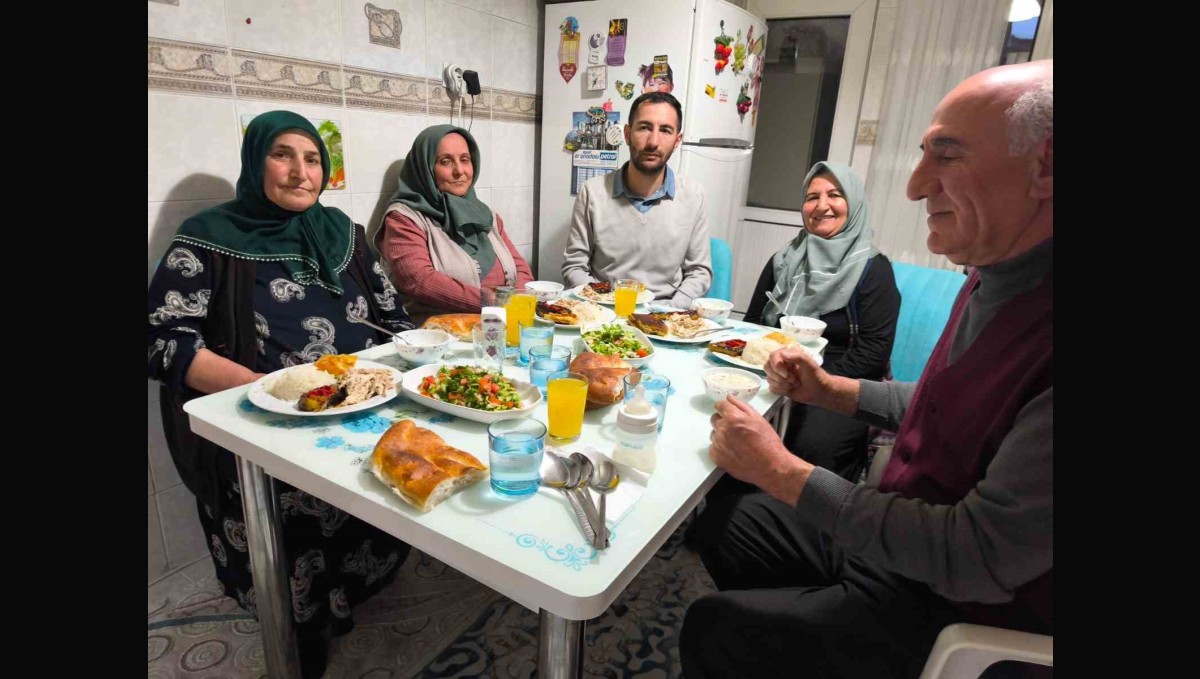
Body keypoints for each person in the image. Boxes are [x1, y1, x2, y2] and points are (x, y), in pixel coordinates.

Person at [681, 59, 1053, 678]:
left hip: (952, 603)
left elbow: (976, 554)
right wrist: (829, 388)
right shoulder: (990, 277)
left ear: (1047, 165)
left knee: (713, 628)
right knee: (729, 524)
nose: (915, 186)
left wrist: (781, 470)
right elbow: (940, 399)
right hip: (898, 539)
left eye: (947, 155)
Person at [147, 110, 416, 678]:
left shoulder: (344, 234)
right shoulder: (210, 237)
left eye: (312, 159)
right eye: (282, 155)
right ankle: (299, 625)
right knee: (292, 510)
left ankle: (354, 591)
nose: (301, 172)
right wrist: (265, 390)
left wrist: (408, 367)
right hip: (262, 424)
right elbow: (161, 339)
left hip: (364, 406)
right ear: (255, 163)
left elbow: (396, 318)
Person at [741, 160, 900, 482]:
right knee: (735, 432)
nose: (821, 206)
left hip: (840, 381)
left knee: (809, 450)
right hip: (774, 371)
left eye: (835, 195)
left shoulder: (873, 268)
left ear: (853, 204)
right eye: (812, 197)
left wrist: (816, 383)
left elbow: (874, 352)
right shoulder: (784, 260)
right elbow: (753, 323)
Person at [370, 124, 533, 325]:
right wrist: (494, 302)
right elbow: (419, 281)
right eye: (446, 161)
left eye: (465, 160)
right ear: (425, 168)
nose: (459, 171)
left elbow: (520, 266)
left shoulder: (485, 215)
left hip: (501, 324)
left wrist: (522, 300)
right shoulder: (404, 219)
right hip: (440, 333)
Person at [561, 92, 712, 307]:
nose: (653, 142)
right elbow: (574, 267)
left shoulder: (694, 196)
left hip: (667, 312)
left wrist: (672, 312)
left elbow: (699, 273)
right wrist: (604, 303)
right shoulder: (592, 193)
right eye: (644, 127)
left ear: (677, 141)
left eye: (665, 130)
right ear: (627, 134)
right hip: (606, 309)